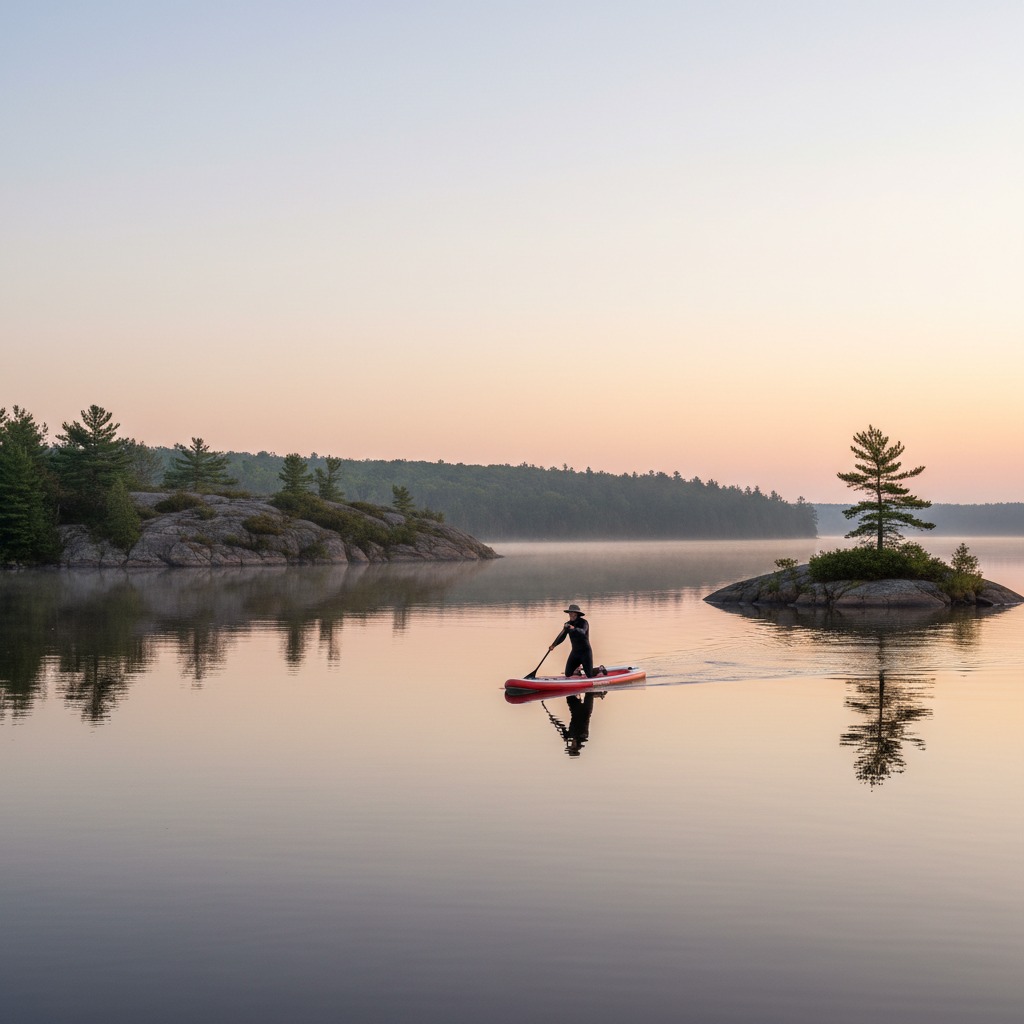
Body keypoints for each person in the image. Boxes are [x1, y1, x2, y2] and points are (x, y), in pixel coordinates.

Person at [549, 603, 605, 678]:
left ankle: (600, 669)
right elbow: (562, 636)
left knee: (590, 675)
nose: (570, 614)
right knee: (568, 674)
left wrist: (573, 628)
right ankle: (577, 670)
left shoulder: (584, 622)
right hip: (575, 652)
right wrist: (553, 645)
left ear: (577, 614)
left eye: (572, 612)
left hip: (585, 652)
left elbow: (583, 632)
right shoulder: (567, 624)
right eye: (570, 613)